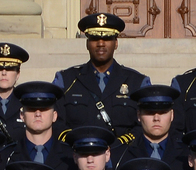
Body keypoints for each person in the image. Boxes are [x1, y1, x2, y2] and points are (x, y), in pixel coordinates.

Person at [54, 12, 149, 140]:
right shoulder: (66, 80)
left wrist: (120, 145)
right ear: (87, 44)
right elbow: (56, 121)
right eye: (94, 38)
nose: (100, 44)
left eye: (107, 38)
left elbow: (145, 124)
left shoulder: (137, 82)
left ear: (116, 43)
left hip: (122, 155)